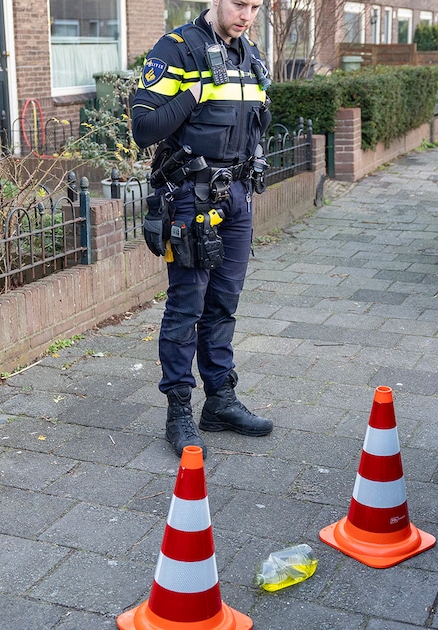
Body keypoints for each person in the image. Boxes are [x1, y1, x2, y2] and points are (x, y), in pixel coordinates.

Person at [131, 0, 272, 458]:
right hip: (191, 197)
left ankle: (220, 400)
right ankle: (179, 412)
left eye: (255, 5)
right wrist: (196, 91)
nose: (247, 14)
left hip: (236, 197)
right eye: (239, 4)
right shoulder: (177, 50)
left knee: (223, 304)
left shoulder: (249, 56)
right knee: (186, 307)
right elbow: (143, 127)